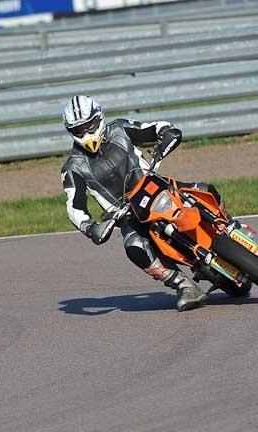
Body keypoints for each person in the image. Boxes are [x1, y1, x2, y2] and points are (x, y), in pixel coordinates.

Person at [61, 95, 221, 311]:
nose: (86, 134)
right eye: (79, 130)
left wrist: (166, 134)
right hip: (126, 213)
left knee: (204, 190)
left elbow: (155, 128)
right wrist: (90, 227)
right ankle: (183, 285)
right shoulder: (73, 167)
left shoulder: (120, 129)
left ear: (99, 118)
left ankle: (228, 229)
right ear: (71, 132)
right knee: (134, 246)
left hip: (153, 186)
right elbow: (74, 206)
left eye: (89, 126)